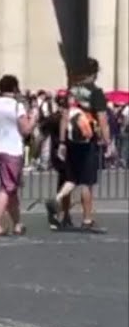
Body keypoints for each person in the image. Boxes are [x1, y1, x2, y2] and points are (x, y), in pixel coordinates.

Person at [47, 58, 113, 232]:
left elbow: (64, 118)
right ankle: (87, 219)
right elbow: (102, 120)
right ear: (94, 73)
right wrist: (108, 142)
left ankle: (61, 208)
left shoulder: (71, 92)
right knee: (86, 182)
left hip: (70, 141)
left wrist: (62, 142)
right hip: (88, 141)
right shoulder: (96, 92)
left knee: (71, 177)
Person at [0, 74, 32, 236]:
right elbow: (26, 129)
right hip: (12, 149)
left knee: (11, 187)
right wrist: (33, 119)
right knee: (7, 188)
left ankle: (17, 223)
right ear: (15, 88)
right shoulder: (17, 106)